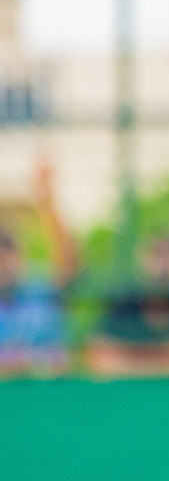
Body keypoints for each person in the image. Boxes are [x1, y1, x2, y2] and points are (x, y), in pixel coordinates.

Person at [85, 235, 169, 378]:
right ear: (143, 260)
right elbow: (99, 357)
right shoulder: (124, 307)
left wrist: (129, 359)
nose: (167, 265)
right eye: (159, 255)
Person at [0, 159, 79, 376]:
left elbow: (68, 263)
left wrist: (47, 198)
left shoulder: (38, 288)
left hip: (48, 393)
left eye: (7, 257)